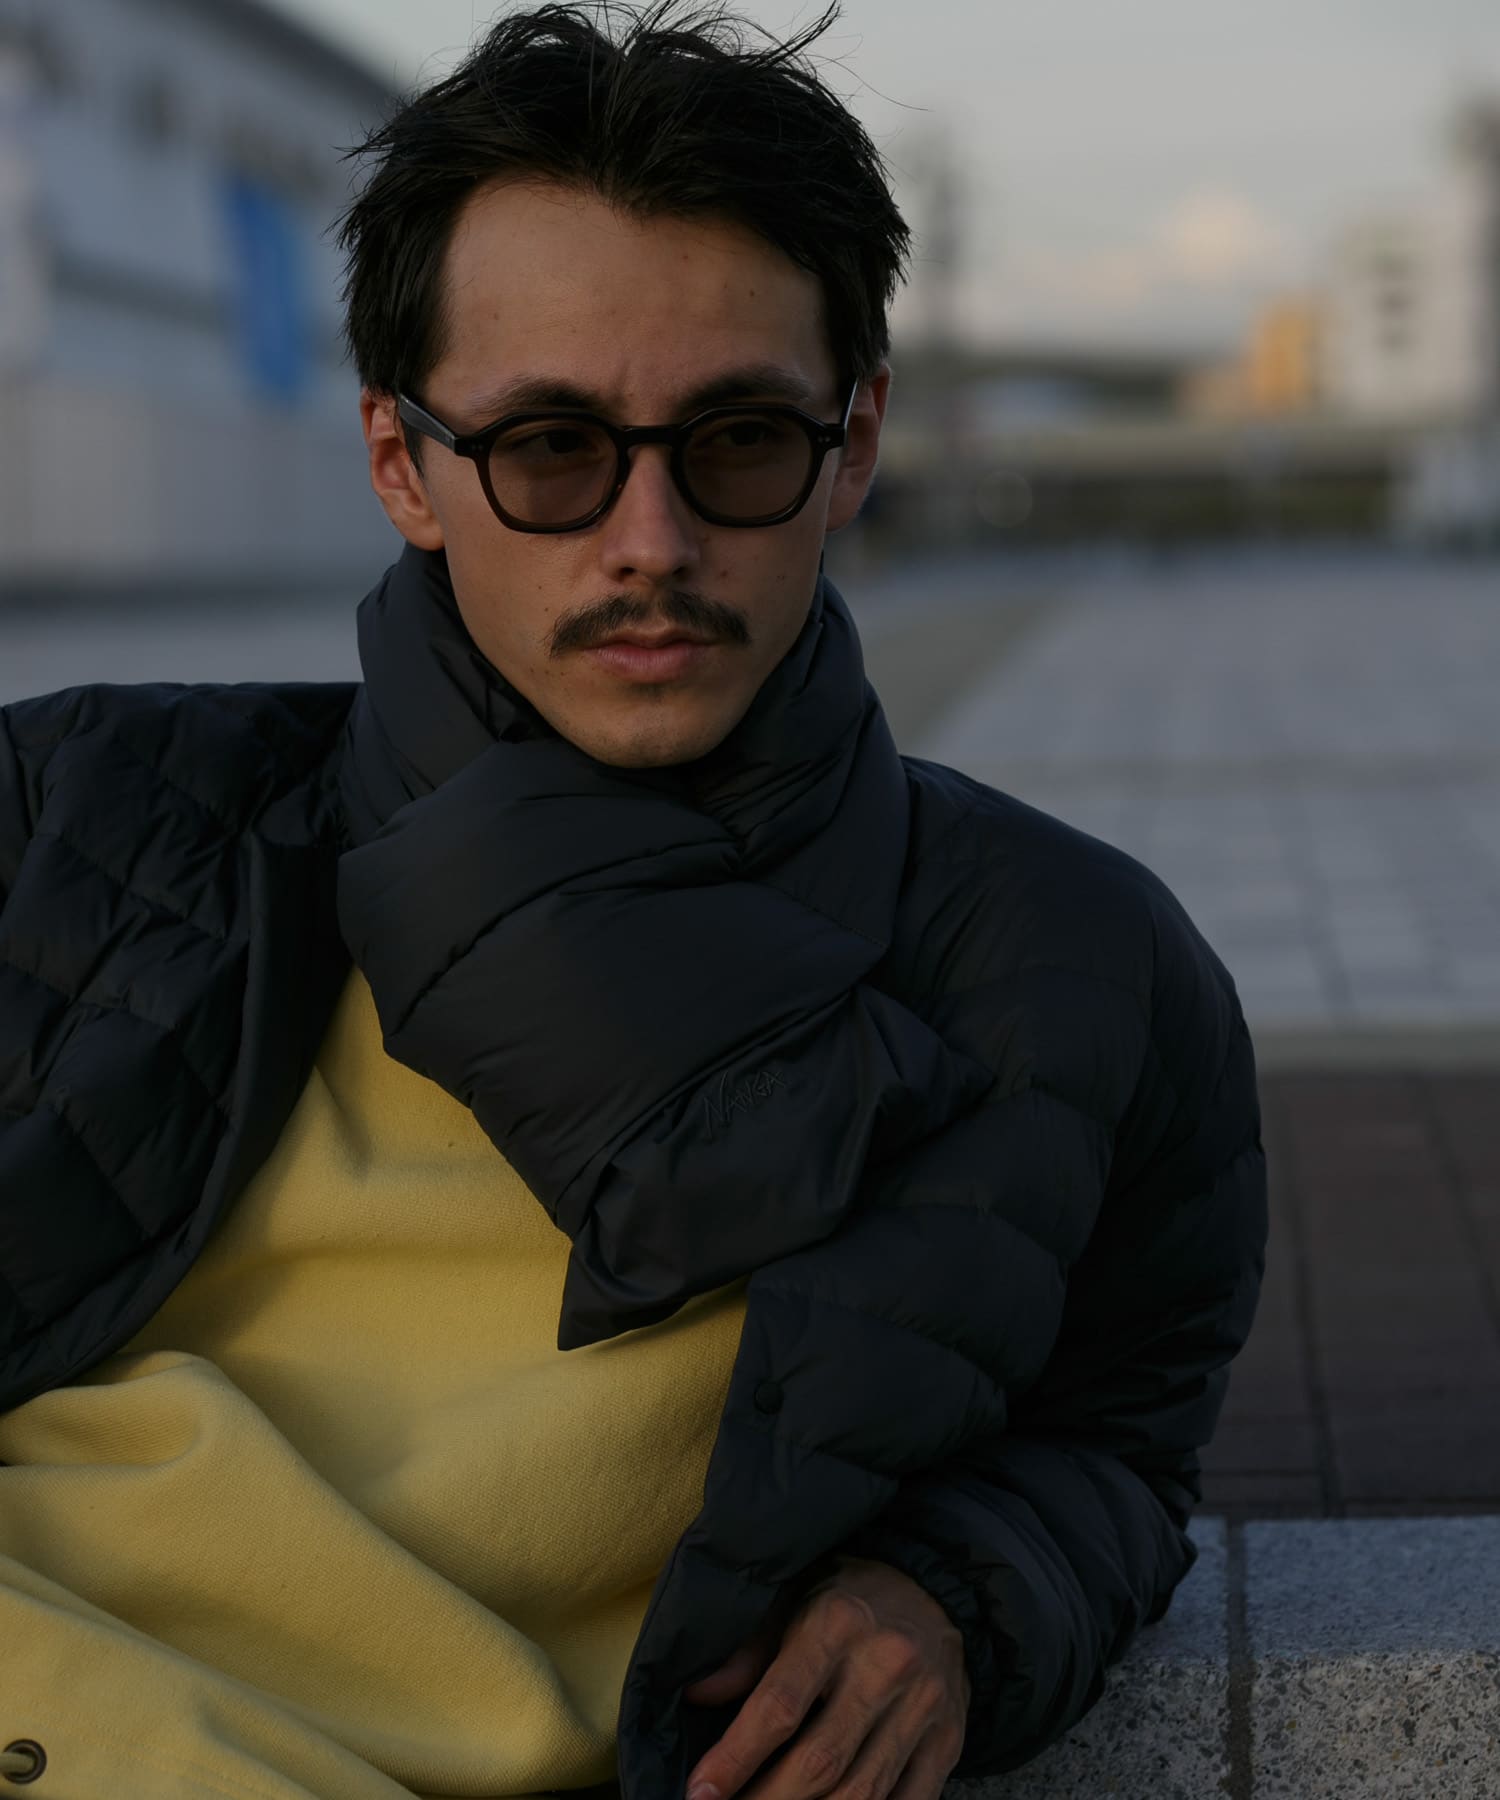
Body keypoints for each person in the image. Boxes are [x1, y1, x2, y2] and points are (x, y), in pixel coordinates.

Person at [0, 5, 1267, 1797]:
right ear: (402, 465)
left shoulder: (1083, 969)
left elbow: (1121, 1441)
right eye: (550, 448)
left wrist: (959, 1594)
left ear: (854, 442)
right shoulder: (78, 818)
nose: (652, 543)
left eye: (737, 440)